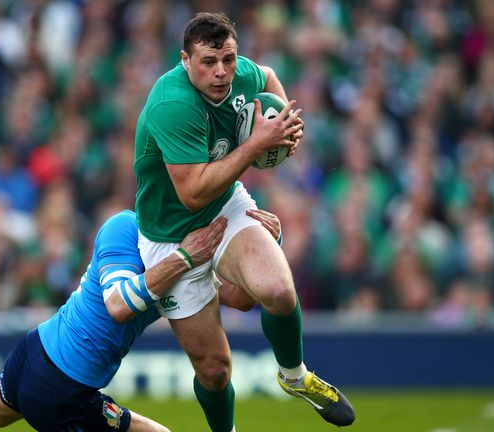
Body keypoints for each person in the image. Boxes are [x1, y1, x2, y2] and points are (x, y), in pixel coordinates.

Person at [133, 12, 355, 428]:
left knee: (278, 290)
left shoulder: (241, 75)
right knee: (215, 371)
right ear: (185, 60)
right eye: (208, 62)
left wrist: (286, 126)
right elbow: (193, 191)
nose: (221, 73)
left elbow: (269, 77)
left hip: (224, 206)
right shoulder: (172, 104)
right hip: (170, 236)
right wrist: (256, 145)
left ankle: (295, 376)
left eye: (229, 60)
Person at [0, 208, 281, 432]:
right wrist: (186, 257)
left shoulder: (186, 249)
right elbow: (118, 305)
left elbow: (240, 298)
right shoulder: (124, 228)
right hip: (62, 386)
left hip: (39, 352)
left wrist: (265, 248)